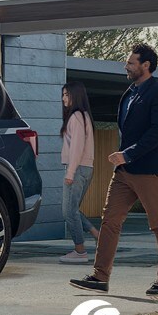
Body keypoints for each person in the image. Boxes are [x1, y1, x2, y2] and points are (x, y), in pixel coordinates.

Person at [70, 43, 158, 296]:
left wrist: (127, 154)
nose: (125, 66)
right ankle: (100, 276)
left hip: (148, 171)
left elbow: (157, 133)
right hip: (124, 173)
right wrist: (123, 159)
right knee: (110, 221)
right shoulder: (129, 94)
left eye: (130, 62)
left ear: (145, 65)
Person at [58, 82, 99, 263]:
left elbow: (77, 148)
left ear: (76, 95)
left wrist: (70, 172)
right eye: (63, 95)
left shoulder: (76, 117)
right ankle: (97, 234)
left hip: (77, 168)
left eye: (67, 94)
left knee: (68, 212)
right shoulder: (84, 116)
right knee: (72, 210)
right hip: (85, 168)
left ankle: (80, 251)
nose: (63, 98)